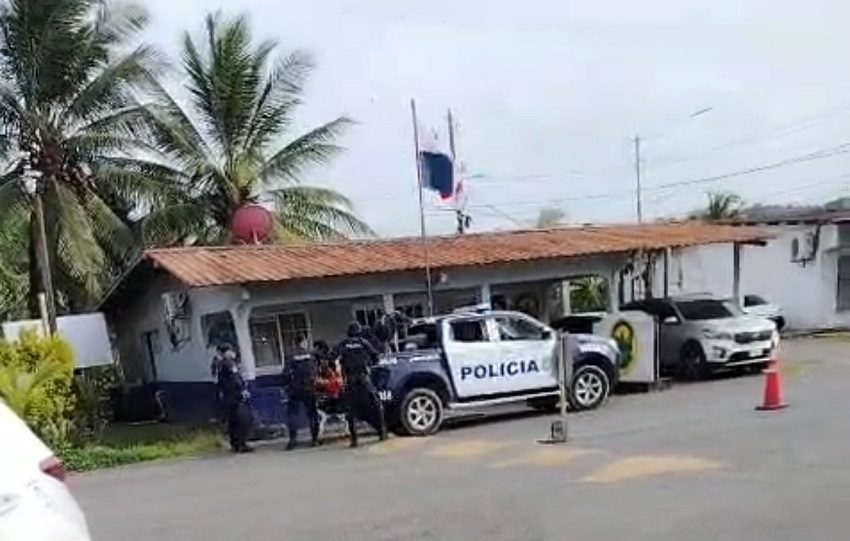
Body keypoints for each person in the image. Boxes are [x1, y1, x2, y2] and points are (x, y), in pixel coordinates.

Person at [331, 322, 387, 448]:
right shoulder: (364, 342)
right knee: (376, 405)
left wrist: (341, 365)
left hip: (350, 380)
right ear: (358, 332)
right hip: (364, 378)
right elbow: (376, 357)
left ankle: (354, 440)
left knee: (350, 410)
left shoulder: (343, 344)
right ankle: (382, 432)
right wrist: (367, 363)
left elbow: (331, 356)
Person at [283, 336, 320, 450]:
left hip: (295, 388)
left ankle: (292, 441)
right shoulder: (311, 354)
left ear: (295, 343)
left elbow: (286, 373)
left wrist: (288, 386)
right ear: (304, 342)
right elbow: (316, 370)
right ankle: (315, 440)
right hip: (309, 388)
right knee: (312, 414)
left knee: (292, 414)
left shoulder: (291, 355)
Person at [216, 344, 254, 453]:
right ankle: (241, 444)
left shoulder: (220, 364)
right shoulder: (229, 363)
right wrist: (242, 390)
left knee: (232, 421)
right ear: (226, 352)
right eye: (230, 351)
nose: (233, 353)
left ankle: (235, 444)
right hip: (235, 396)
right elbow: (235, 378)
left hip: (228, 396)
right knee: (240, 420)